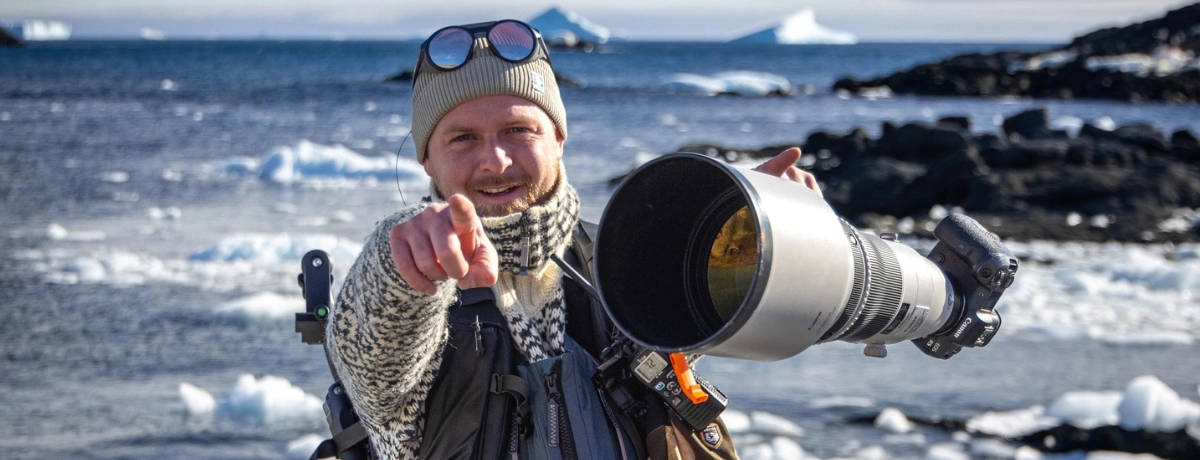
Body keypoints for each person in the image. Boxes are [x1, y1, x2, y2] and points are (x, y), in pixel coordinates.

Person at [326, 19, 820, 460]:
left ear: (559, 139)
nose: (495, 161)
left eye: (518, 129)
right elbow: (371, 342)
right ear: (426, 160)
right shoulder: (408, 278)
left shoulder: (622, 266)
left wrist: (756, 230)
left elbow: (723, 303)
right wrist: (399, 261)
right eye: (462, 138)